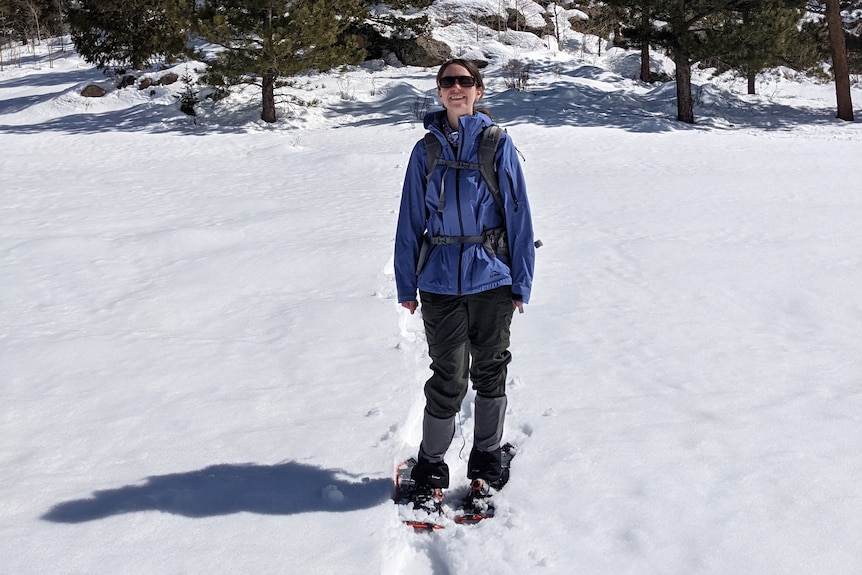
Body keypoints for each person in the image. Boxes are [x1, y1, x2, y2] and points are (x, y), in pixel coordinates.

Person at [394, 59, 535, 508]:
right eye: (448, 82)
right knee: (448, 374)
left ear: (478, 90)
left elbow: (519, 213)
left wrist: (522, 281)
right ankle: (431, 463)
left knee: (491, 366)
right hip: (438, 282)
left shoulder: (498, 144)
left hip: (491, 278)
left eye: (465, 82)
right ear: (439, 93)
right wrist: (405, 285)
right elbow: (409, 220)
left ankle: (487, 460)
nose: (457, 88)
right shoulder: (425, 151)